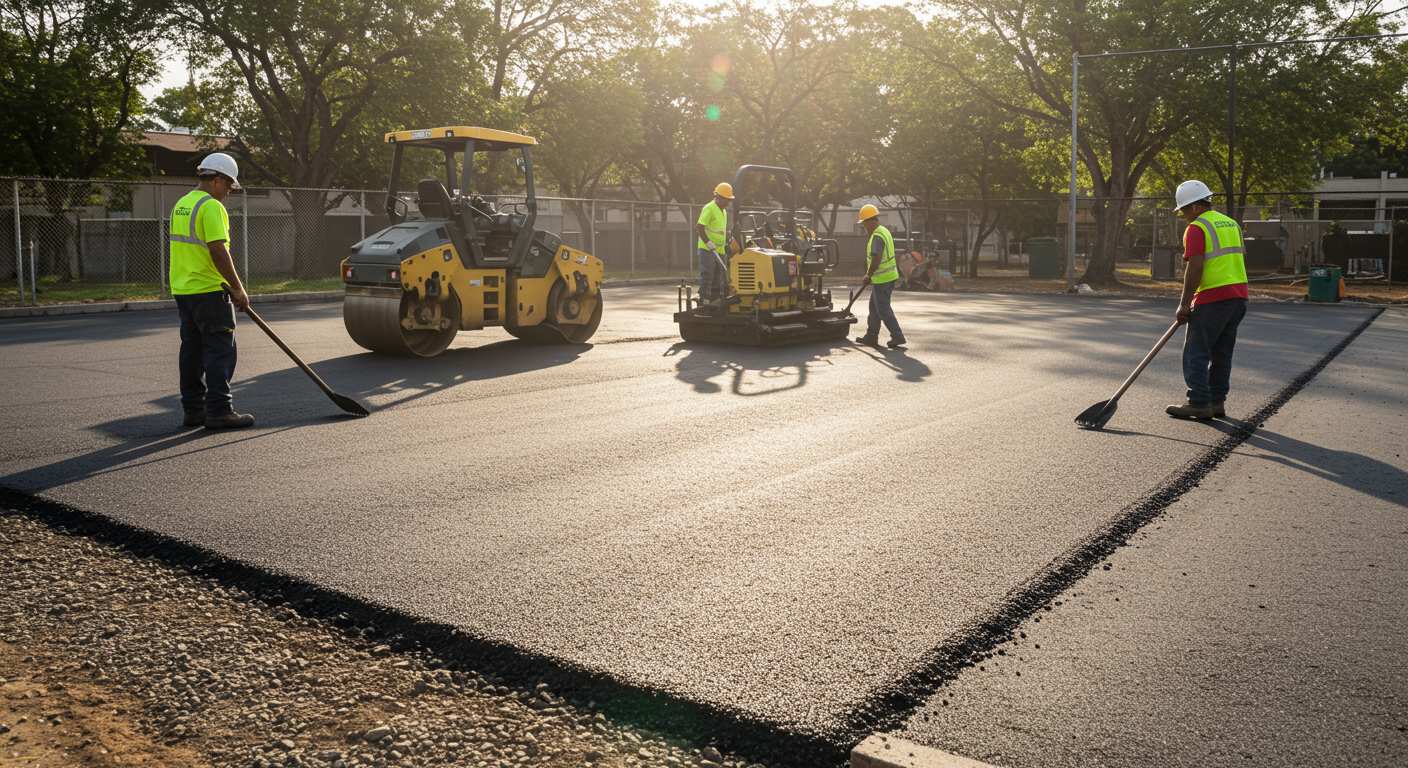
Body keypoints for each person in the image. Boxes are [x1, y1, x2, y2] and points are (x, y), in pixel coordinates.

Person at [169, 152, 255, 430]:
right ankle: (219, 411)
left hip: (184, 290)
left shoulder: (182, 204)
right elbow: (218, 250)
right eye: (229, 185)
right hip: (209, 289)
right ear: (216, 180)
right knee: (220, 350)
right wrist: (237, 288)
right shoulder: (211, 206)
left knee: (191, 351)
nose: (229, 192)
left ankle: (193, 410)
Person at [1167, 180, 1248, 420]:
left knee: (1196, 352)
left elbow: (1196, 266)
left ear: (1193, 207)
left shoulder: (1197, 227)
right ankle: (1217, 401)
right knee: (1222, 352)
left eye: (1183, 210)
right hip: (1238, 297)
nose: (1183, 216)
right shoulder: (1231, 223)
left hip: (1213, 298)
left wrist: (1184, 303)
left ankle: (1199, 403)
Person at [854, 204, 906, 348]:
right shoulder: (884, 231)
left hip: (883, 279)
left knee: (883, 309)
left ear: (871, 221)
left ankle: (897, 336)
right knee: (874, 308)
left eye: (864, 224)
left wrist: (868, 275)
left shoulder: (877, 236)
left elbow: (876, 258)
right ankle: (871, 337)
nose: (864, 227)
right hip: (886, 277)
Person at [696, 182, 733, 301]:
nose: (728, 202)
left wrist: (728, 238)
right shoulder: (709, 208)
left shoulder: (724, 211)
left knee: (719, 275)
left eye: (729, 199)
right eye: (727, 199)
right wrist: (708, 242)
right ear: (719, 197)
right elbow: (699, 227)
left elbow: (720, 230)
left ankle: (715, 299)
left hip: (720, 249)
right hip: (707, 248)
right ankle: (704, 299)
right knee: (707, 274)